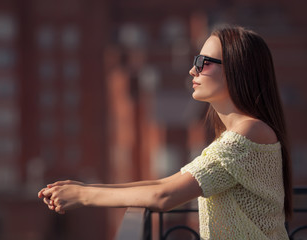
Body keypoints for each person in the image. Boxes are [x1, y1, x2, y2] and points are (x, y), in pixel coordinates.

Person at [38, 24, 292, 240]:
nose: (193, 70)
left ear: (237, 69)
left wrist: (83, 196)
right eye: (195, 62)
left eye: (203, 63)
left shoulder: (248, 133)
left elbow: (165, 196)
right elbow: (165, 183)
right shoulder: (240, 133)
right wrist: (84, 188)